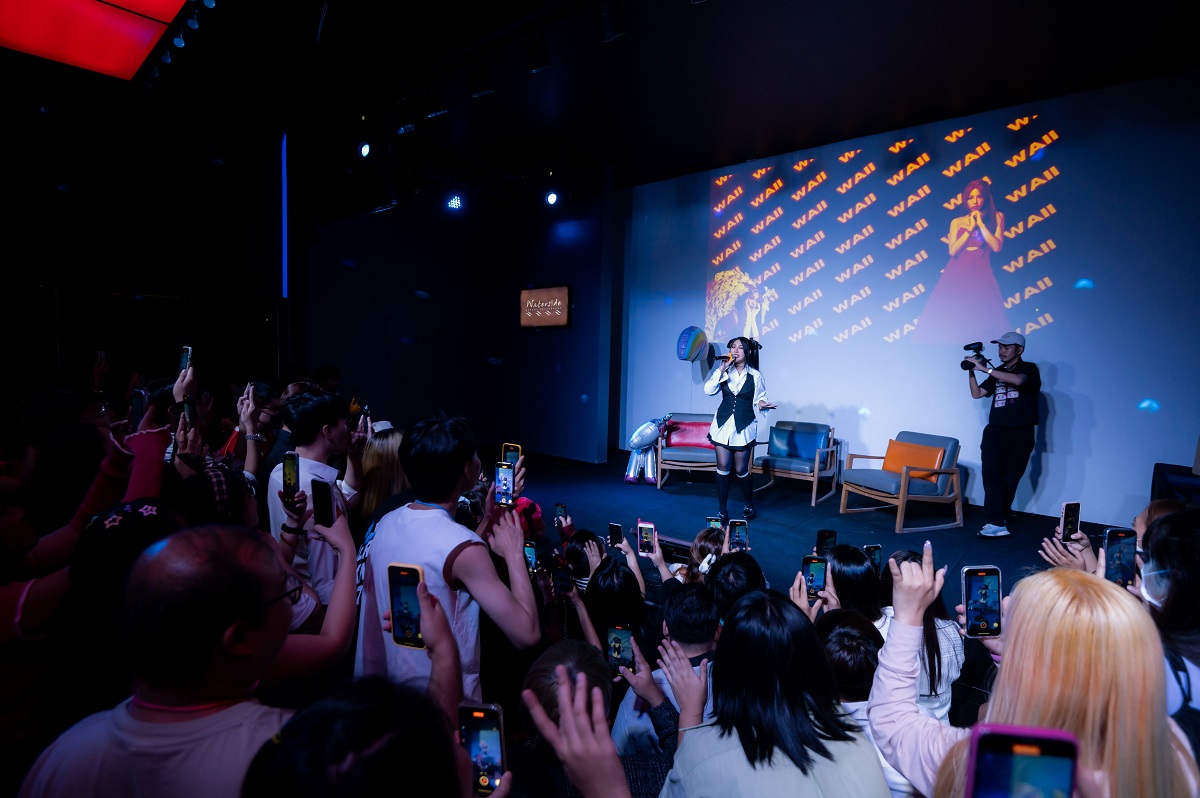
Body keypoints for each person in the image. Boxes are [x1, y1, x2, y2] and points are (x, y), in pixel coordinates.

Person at [867, 542, 1199, 797]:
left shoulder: (979, 762)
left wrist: (908, 617)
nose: (1005, 603)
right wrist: (1012, 653)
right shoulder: (1174, 747)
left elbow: (892, 721)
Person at [19, 525, 298, 798]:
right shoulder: (295, 751)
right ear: (239, 638)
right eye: (286, 593)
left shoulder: (64, 755)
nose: (290, 602)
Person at [354, 413, 540, 701]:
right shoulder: (464, 547)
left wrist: (489, 518)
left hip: (393, 693)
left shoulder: (387, 522)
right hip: (444, 700)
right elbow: (526, 633)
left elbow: (446, 557)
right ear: (466, 469)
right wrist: (515, 553)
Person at [658, 589, 889, 795]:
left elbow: (684, 780)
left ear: (725, 668)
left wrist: (690, 712)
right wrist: (799, 634)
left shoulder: (702, 754)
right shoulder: (855, 736)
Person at [911, 178, 1009, 344]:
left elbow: (996, 246)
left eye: (979, 197)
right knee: (951, 312)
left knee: (985, 313)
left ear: (985, 197)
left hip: (981, 270)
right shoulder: (957, 222)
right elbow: (953, 250)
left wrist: (981, 224)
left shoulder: (998, 217)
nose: (975, 201)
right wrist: (970, 228)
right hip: (957, 271)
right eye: (970, 198)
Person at [965, 330, 1041, 538]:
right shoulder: (996, 371)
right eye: (999, 347)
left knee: (1010, 477)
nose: (1001, 351)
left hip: (1020, 432)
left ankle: (1000, 517)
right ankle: (996, 522)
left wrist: (986, 369)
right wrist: (971, 372)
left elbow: (1018, 381)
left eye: (1006, 347)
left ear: (1019, 350)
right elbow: (977, 394)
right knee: (991, 475)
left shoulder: (1029, 368)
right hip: (995, 431)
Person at [703, 337, 775, 523]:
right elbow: (708, 390)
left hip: (743, 426)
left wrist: (762, 404)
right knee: (723, 467)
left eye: (740, 348)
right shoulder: (724, 371)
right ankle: (722, 511)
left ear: (748, 352)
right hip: (722, 425)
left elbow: (759, 398)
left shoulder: (755, 376)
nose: (735, 351)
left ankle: (749, 504)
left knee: (742, 469)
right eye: (732, 347)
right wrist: (721, 369)